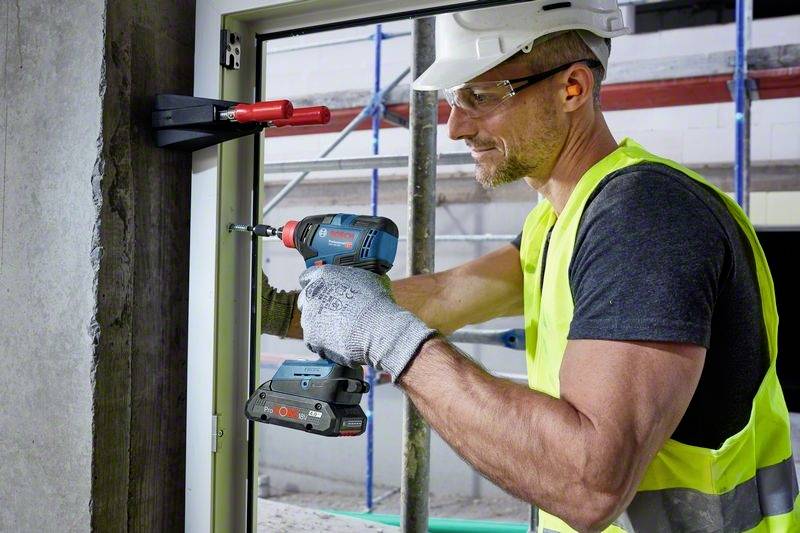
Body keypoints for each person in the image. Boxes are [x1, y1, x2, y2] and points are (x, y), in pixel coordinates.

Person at [261, 1, 799, 530]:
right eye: (453, 99)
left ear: (572, 88)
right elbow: (448, 295)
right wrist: (285, 311)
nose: (456, 127)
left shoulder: (644, 214)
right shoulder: (560, 219)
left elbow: (590, 484)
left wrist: (388, 339)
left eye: (480, 96)